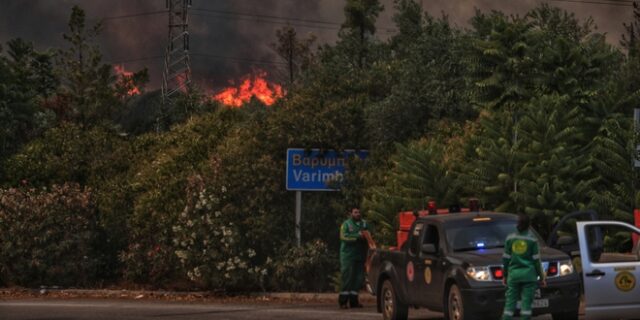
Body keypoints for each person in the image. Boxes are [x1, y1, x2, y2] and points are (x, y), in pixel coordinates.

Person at [501, 213, 547, 320]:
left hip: (513, 276)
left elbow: (505, 259)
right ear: (529, 225)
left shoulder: (510, 239)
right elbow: (536, 261)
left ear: (517, 224)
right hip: (529, 276)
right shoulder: (532, 240)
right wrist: (542, 277)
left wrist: (505, 275)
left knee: (509, 305)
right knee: (526, 306)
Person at [339, 206, 369, 309]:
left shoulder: (364, 223)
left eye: (359, 212)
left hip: (360, 256)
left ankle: (354, 302)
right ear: (351, 213)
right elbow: (343, 237)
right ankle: (343, 302)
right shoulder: (346, 224)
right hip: (348, 256)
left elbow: (369, 235)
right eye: (355, 212)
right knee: (347, 278)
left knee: (358, 279)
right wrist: (357, 236)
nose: (358, 214)